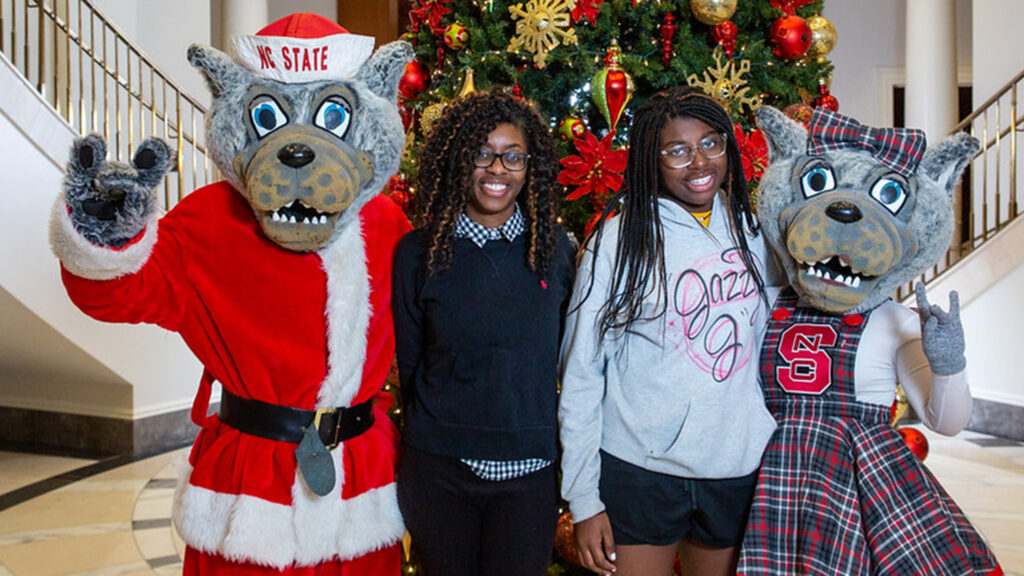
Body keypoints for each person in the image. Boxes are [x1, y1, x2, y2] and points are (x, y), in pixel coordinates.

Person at [558, 85, 779, 576]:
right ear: (651, 161)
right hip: (640, 469)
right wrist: (584, 499)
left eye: (710, 143)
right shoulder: (618, 241)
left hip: (734, 465)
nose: (698, 162)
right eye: (676, 150)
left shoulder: (753, 231)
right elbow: (580, 372)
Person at [392, 90, 577, 576]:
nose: (498, 170)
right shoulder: (417, 253)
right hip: (439, 470)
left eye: (513, 157)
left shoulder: (555, 251)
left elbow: (571, 360)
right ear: (460, 160)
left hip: (529, 474)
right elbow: (410, 365)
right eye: (482, 154)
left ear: (528, 166)